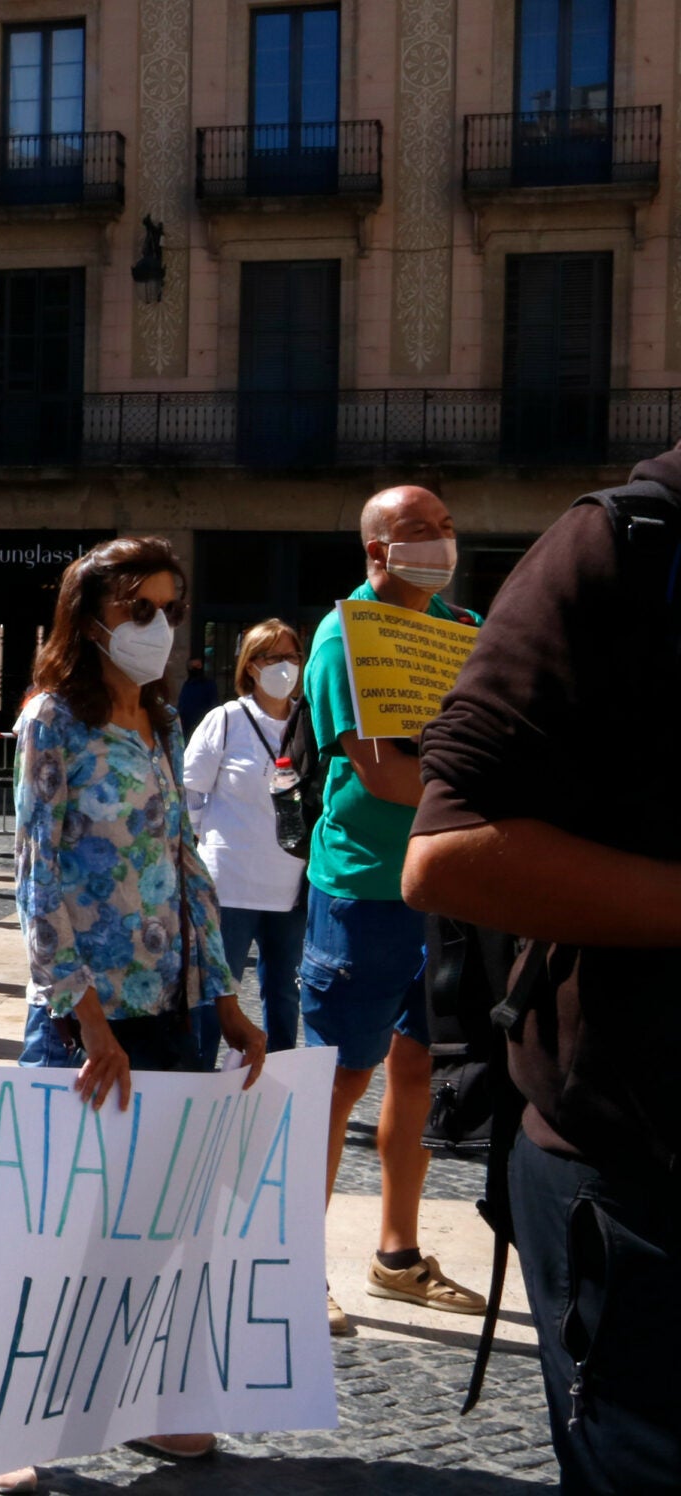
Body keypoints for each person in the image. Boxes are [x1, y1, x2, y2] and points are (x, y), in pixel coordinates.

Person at [404, 463, 681, 1492]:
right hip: (637, 1182)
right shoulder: (626, 548)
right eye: (421, 526)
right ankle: (393, 1234)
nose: (439, 535)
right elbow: (441, 845)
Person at [0, 535, 265, 1495]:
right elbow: (37, 880)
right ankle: (11, 1416)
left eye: (171, 608)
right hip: (88, 1015)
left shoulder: (154, 718)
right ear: (92, 614)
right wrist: (87, 1019)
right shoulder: (46, 724)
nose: (158, 626)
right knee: (62, 1224)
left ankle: (146, 1401)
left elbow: (186, 863)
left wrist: (227, 997)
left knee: (156, 1219)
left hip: (176, 1009)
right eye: (140, 608)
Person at [302, 485, 487, 1332]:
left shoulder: (465, 631)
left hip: (446, 891)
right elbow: (380, 772)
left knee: (418, 1070)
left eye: (446, 527)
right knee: (338, 1083)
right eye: (420, 530)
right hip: (367, 886)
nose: (440, 541)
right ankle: (294, 1263)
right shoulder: (345, 636)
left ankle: (397, 1256)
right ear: (377, 550)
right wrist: (482, 806)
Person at [181, 619, 308, 1063]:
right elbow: (191, 790)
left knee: (285, 998)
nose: (285, 666)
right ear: (250, 666)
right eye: (273, 658)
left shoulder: (308, 720)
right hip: (230, 883)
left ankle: (278, 1081)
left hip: (291, 885)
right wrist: (203, 842)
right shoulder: (226, 720)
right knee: (219, 991)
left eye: (292, 656)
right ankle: (198, 1082)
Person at [176, 654, 220, 735]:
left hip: (204, 729)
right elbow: (181, 706)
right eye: (192, 667)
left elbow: (214, 707)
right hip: (187, 729)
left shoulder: (209, 685)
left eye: (198, 666)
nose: (195, 669)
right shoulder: (187, 685)